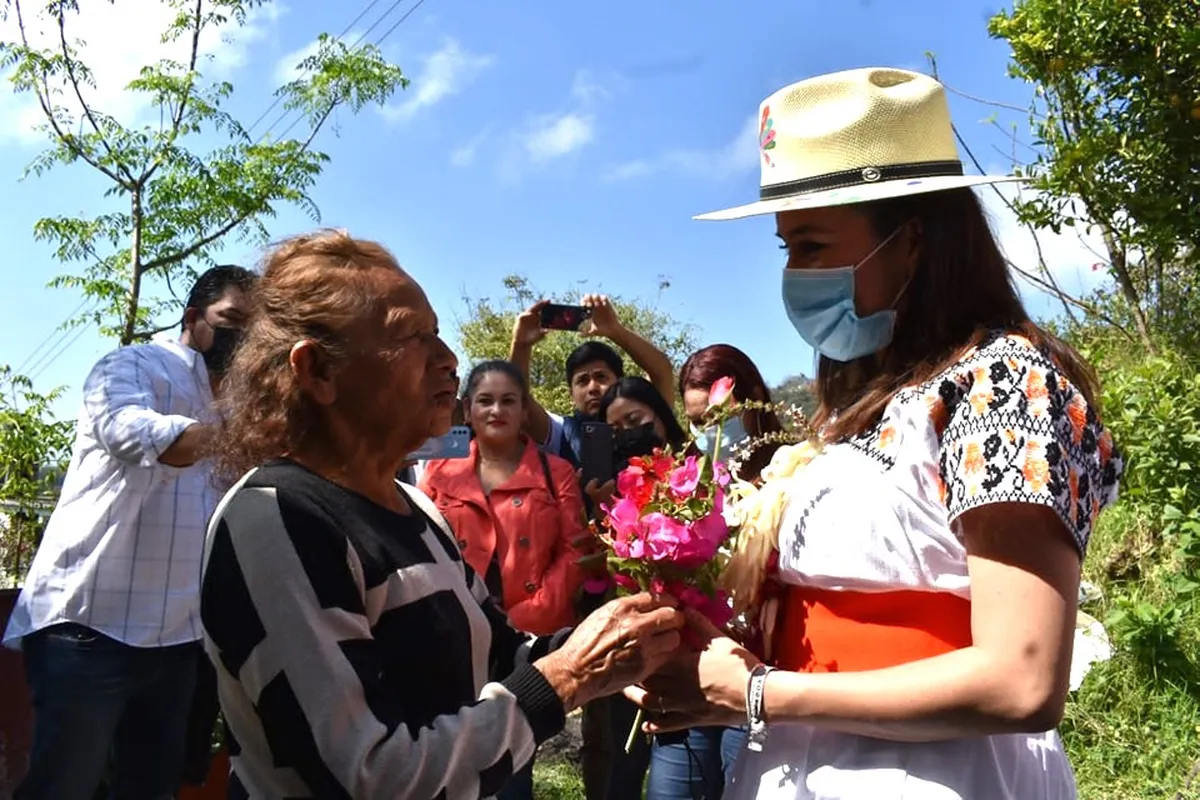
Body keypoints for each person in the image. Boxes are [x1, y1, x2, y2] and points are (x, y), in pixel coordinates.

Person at [625, 68, 1123, 800]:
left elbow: (1021, 679)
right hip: (802, 767)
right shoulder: (858, 406)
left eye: (814, 244)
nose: (794, 273)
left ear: (913, 239)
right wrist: (709, 665)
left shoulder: (1006, 383)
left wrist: (758, 695)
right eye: (786, 247)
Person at [200, 230, 685, 799]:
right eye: (412, 336)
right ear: (318, 373)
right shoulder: (275, 521)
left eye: (437, 333)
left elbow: (499, 653)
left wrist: (635, 644)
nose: (448, 359)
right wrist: (566, 678)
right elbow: (370, 776)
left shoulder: (416, 510)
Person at [3, 265, 255, 800]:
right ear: (193, 318)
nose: (241, 338)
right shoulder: (133, 365)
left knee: (151, 788)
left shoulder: (237, 404)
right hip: (90, 626)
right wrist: (238, 435)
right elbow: (130, 431)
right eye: (230, 320)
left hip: (178, 637)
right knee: (63, 786)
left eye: (251, 329)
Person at [419, 360, 588, 800]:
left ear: (524, 408)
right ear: (468, 410)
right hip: (451, 631)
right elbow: (422, 544)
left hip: (522, 637)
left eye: (508, 400)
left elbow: (577, 551)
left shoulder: (557, 472)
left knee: (511, 765)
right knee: (449, 756)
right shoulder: (438, 471)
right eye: (485, 400)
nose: (497, 410)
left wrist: (525, 619)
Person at [643, 344, 786, 800]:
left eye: (718, 417)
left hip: (758, 678)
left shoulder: (792, 475)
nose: (709, 432)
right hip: (695, 668)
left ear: (752, 402)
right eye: (698, 422)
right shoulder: (686, 485)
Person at [509, 295, 676, 467]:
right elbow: (520, 404)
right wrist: (520, 345)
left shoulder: (644, 419)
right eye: (582, 381)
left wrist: (615, 330)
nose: (593, 388)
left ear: (619, 382)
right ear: (571, 394)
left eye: (601, 377)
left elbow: (662, 372)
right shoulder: (563, 433)